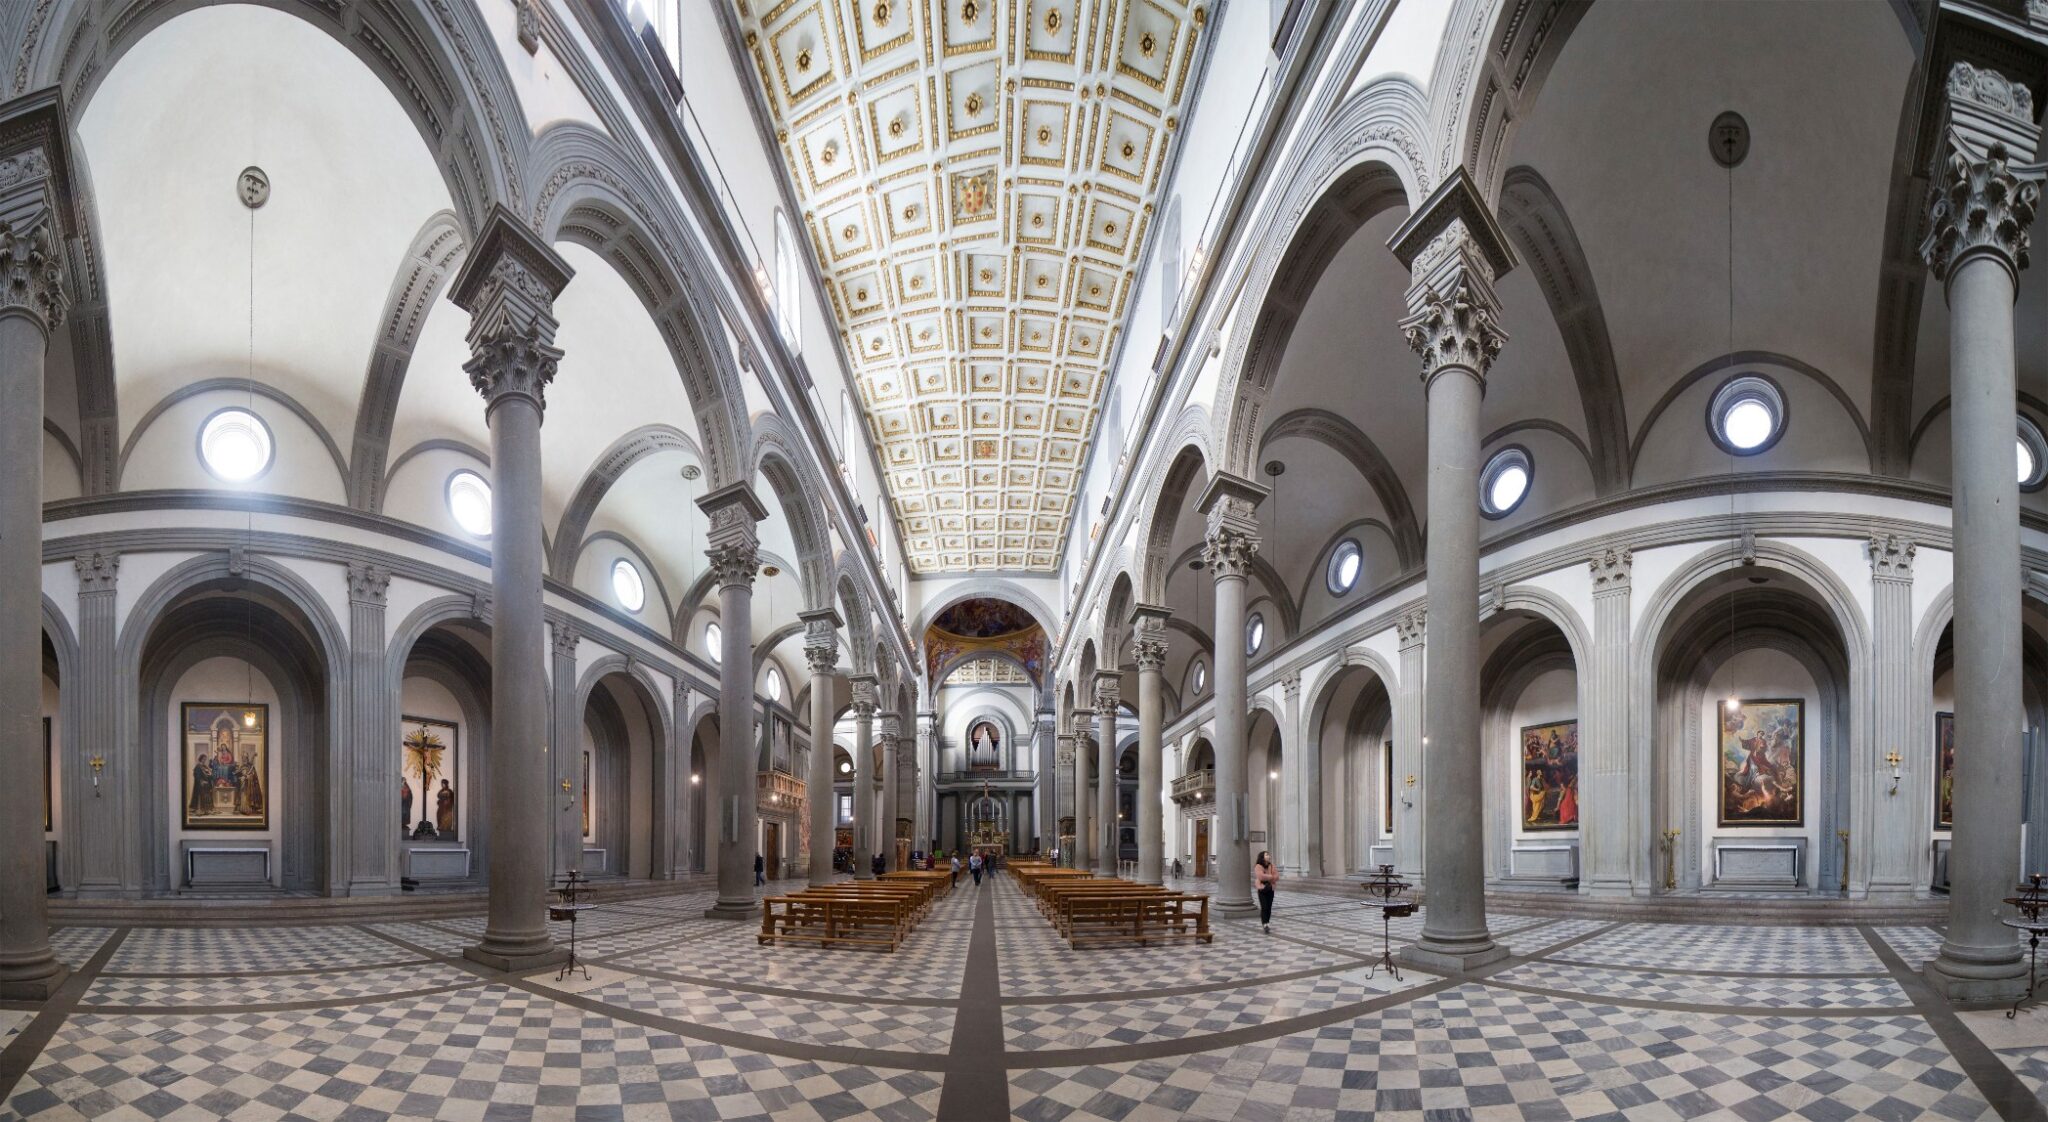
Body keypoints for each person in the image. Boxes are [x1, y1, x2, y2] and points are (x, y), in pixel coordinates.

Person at [1255, 850, 1280, 933]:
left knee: (1269, 908)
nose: (1268, 856)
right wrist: (1271, 877)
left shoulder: (1272, 866)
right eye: (1266, 855)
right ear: (1262, 857)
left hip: (1270, 889)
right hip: (1262, 889)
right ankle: (1264, 924)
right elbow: (1261, 877)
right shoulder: (1258, 866)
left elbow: (1277, 876)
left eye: (1268, 855)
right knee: (1264, 907)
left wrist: (1269, 877)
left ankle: (1267, 923)